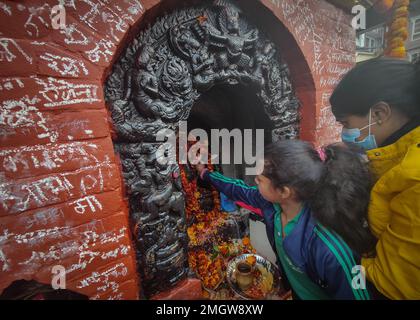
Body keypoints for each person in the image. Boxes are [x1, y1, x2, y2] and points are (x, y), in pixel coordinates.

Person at [194, 140, 376, 300]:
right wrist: (205, 174)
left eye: (259, 179)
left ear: (284, 191)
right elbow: (238, 190)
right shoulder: (271, 204)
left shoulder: (328, 246)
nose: (255, 182)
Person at [330, 57, 420, 299]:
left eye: (346, 123)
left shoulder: (414, 181)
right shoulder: (398, 159)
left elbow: (391, 285)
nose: (343, 133)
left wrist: (338, 259)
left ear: (379, 113)